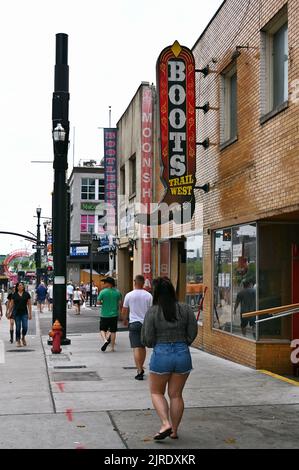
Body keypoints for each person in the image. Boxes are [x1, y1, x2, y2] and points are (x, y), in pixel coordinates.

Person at [141, 277, 198, 441]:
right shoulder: (186, 309)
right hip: (182, 354)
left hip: (162, 354)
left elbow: (147, 338)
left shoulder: (153, 312)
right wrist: (184, 342)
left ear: (155, 293)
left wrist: (155, 344)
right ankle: (174, 431)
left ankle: (165, 423)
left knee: (156, 392)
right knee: (176, 395)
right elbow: (193, 332)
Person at [122, 275, 152, 380]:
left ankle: (139, 370)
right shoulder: (148, 296)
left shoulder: (129, 295)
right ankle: (141, 367)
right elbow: (152, 311)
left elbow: (124, 309)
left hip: (134, 323)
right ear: (143, 283)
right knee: (142, 347)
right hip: (145, 324)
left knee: (136, 348)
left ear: (135, 282)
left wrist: (124, 320)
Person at [97, 277, 122, 352]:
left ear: (109, 283)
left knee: (102, 329)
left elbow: (98, 302)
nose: (104, 284)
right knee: (113, 331)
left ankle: (105, 340)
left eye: (105, 282)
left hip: (104, 314)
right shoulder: (117, 292)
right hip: (114, 315)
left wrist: (103, 302)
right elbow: (120, 304)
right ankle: (112, 348)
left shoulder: (103, 292)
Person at [10, 282, 32, 347]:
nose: (20, 286)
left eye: (22, 285)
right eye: (19, 285)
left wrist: (30, 314)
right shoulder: (14, 295)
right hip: (17, 314)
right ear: (17, 287)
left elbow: (29, 305)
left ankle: (23, 337)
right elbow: (11, 305)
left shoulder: (27, 294)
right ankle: (18, 341)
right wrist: (8, 312)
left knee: (25, 327)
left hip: (24, 313)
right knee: (18, 327)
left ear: (23, 287)